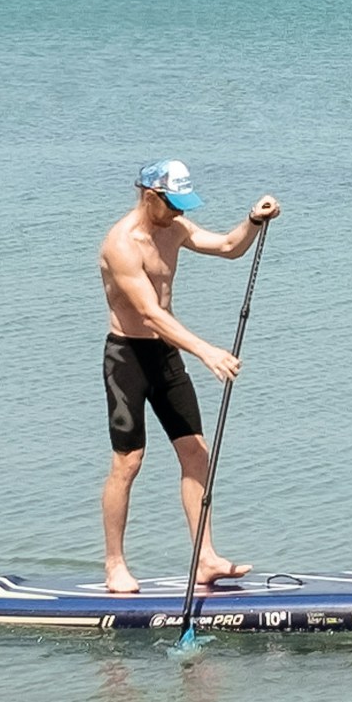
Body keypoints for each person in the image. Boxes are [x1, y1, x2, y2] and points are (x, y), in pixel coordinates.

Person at [96, 158, 280, 593]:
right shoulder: (122, 244)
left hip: (165, 354)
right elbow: (148, 313)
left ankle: (205, 559)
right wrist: (206, 352)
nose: (180, 212)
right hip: (127, 359)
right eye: (173, 203)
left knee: (196, 454)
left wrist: (253, 220)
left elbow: (229, 247)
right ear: (149, 197)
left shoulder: (174, 229)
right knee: (128, 461)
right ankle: (114, 565)